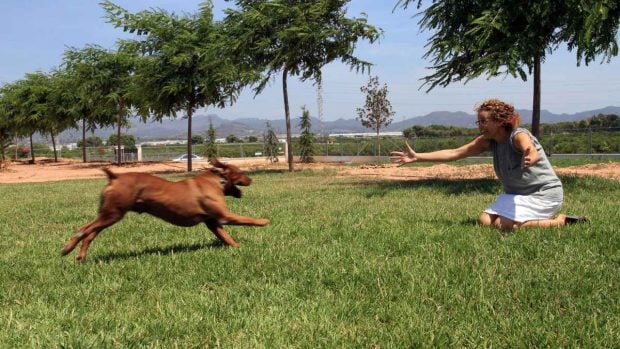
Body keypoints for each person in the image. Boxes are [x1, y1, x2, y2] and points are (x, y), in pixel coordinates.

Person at [390, 98, 587, 230]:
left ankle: (560, 222)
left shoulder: (517, 136)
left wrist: (531, 155)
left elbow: (529, 148)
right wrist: (418, 157)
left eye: (484, 121)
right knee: (484, 221)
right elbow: (456, 152)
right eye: (479, 121)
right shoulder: (488, 141)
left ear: (500, 121)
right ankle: (538, 220)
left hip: (543, 194)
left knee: (505, 224)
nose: (480, 126)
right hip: (516, 195)